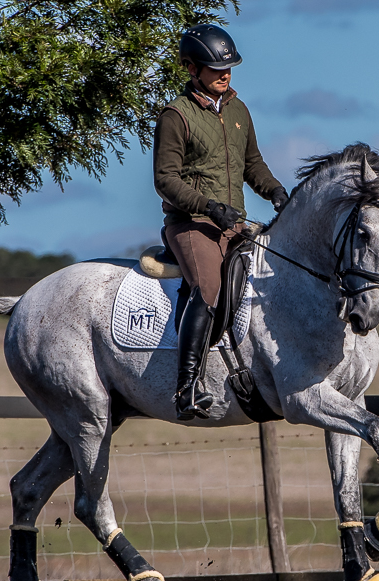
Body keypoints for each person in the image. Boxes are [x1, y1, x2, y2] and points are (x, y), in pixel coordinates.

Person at [153, 24, 288, 421]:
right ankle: (187, 386)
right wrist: (208, 207)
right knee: (209, 286)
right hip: (191, 223)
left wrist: (276, 192)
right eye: (216, 68)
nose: (225, 74)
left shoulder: (238, 110)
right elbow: (166, 179)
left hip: (235, 223)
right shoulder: (177, 115)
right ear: (192, 68)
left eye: (228, 67)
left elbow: (252, 164)